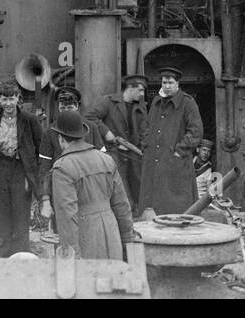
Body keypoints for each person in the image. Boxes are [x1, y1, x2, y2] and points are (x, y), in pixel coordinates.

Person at [49, 111, 136, 260]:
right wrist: (128, 240)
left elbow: (67, 216)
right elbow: (122, 205)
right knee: (111, 280)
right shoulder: (106, 159)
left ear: (60, 139)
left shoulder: (62, 167)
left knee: (85, 281)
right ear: (82, 135)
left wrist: (72, 255)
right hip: (111, 231)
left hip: (85, 237)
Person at [0, 82, 43, 255]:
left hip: (21, 170)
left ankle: (21, 260)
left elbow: (40, 150)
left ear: (18, 99)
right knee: (1, 220)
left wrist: (32, 176)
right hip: (0, 170)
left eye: (11, 99)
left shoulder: (29, 120)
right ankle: (2, 260)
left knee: (21, 221)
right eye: (4, 99)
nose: (8, 103)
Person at [36, 86, 106, 224]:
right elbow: (44, 169)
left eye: (70, 108)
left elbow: (103, 163)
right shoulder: (50, 132)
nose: (66, 112)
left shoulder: (91, 128)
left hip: (90, 192)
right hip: (61, 192)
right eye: (63, 108)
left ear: (77, 107)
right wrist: (45, 200)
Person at [139, 67, 203, 216]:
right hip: (155, 161)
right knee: (155, 205)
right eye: (164, 82)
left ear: (177, 83)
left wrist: (179, 152)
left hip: (176, 162)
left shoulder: (187, 103)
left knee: (177, 206)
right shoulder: (156, 102)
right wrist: (145, 145)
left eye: (170, 82)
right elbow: (148, 126)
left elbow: (196, 131)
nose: (167, 86)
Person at [85, 75, 148, 205]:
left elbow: (144, 130)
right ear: (130, 88)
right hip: (115, 153)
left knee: (139, 188)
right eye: (140, 90)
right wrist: (106, 132)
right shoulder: (109, 102)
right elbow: (89, 117)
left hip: (134, 154)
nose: (142, 94)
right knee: (119, 189)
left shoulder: (141, 107)